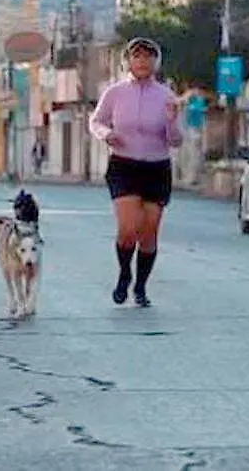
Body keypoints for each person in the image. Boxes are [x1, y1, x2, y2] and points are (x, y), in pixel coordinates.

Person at [89, 37, 183, 307]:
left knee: (149, 232)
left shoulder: (166, 96)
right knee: (128, 228)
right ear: (128, 61)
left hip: (156, 166)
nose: (142, 62)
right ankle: (124, 275)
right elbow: (96, 121)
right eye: (137, 56)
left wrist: (171, 121)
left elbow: (176, 140)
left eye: (148, 57)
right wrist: (107, 134)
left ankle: (141, 287)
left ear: (156, 62)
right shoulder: (115, 92)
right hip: (124, 165)